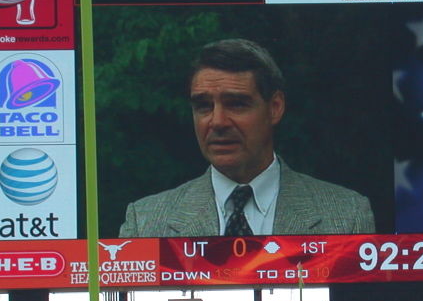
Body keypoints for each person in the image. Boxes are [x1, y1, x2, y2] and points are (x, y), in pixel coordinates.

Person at [119, 38, 375, 237]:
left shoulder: (346, 216)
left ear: (275, 107)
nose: (217, 121)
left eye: (236, 104)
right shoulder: (145, 222)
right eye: (204, 106)